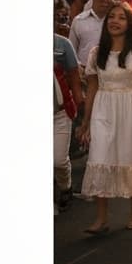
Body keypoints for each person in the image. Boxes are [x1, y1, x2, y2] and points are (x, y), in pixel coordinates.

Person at [76, 2, 132, 233]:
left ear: (129, 24)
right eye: (111, 17)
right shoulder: (96, 53)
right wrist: (85, 122)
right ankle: (101, 218)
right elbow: (92, 88)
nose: (115, 21)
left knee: (131, 156)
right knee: (100, 157)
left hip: (131, 107)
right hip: (103, 107)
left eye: (121, 18)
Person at [54, 34, 82, 214]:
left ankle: (66, 187)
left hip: (59, 112)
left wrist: (79, 104)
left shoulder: (62, 44)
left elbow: (74, 75)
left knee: (58, 160)